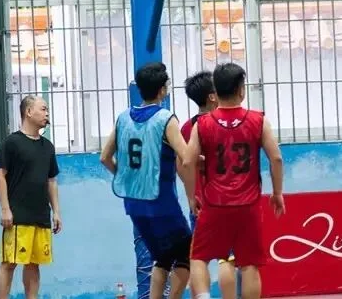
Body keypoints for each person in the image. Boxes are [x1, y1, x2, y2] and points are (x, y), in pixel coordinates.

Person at [187, 62, 285, 299]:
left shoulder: (202, 124)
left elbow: (188, 162)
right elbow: (276, 158)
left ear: (216, 91)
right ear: (241, 90)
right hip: (248, 205)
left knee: (199, 258)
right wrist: (277, 193)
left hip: (214, 204)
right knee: (249, 264)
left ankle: (203, 297)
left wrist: (191, 196)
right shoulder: (258, 120)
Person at [100, 62, 195, 299]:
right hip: (161, 201)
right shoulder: (165, 118)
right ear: (163, 90)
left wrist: (126, 178)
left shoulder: (123, 118)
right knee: (186, 254)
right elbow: (186, 158)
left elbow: (105, 157)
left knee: (161, 258)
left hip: (133, 203)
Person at [0, 95, 62, 299]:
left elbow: (51, 181)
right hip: (18, 215)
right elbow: (0, 175)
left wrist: (56, 212)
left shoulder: (47, 147)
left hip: (40, 215)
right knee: (9, 263)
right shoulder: (11, 143)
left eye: (47, 110)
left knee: (34, 264)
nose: (47, 113)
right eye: (43, 109)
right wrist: (5, 209)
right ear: (28, 112)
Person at [181, 71, 237, 299]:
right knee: (227, 258)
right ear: (213, 96)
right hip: (226, 200)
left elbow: (183, 164)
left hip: (199, 203)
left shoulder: (186, 128)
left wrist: (190, 195)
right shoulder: (228, 123)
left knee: (199, 258)